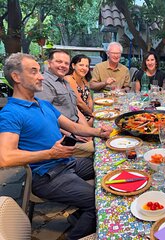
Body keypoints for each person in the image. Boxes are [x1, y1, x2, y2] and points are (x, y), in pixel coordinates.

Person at [0, 53, 112, 239]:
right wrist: (51, 154)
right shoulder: (11, 113)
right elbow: (5, 157)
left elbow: (73, 126)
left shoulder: (42, 103)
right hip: (47, 175)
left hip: (66, 162)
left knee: (104, 166)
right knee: (99, 201)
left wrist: (98, 132)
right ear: (16, 77)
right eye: (34, 71)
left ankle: (78, 217)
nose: (41, 76)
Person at [35, 50, 94, 158]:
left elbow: (75, 109)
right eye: (59, 62)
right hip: (64, 139)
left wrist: (87, 132)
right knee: (98, 148)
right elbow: (45, 118)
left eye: (66, 63)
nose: (63, 65)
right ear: (49, 63)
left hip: (77, 131)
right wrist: (72, 134)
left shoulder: (64, 82)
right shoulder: (44, 83)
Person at [64, 54, 94, 126]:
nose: (84, 68)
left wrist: (91, 110)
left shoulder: (83, 79)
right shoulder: (69, 79)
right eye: (81, 65)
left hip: (86, 112)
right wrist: (92, 114)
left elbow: (89, 99)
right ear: (73, 65)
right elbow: (79, 102)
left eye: (87, 66)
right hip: (74, 115)